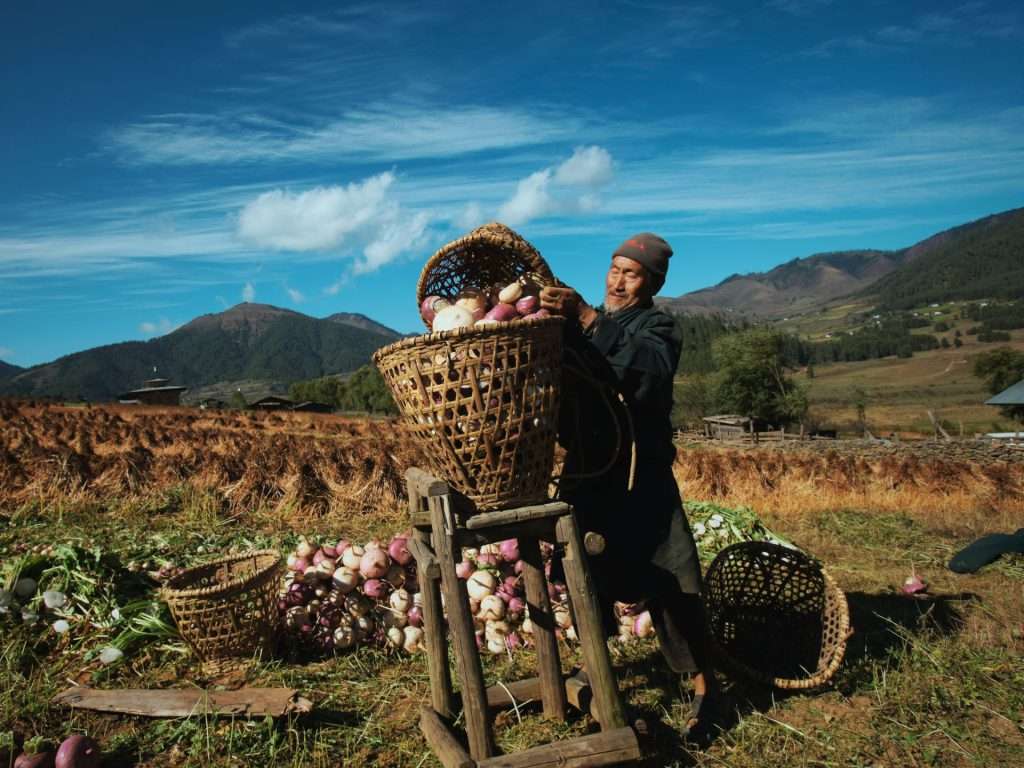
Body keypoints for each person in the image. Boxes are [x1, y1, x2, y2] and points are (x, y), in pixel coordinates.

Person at [539, 233, 721, 741]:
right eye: (614, 270)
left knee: (673, 580)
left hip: (642, 475)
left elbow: (648, 368)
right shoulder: (585, 324)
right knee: (585, 575)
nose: (617, 281)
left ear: (652, 282)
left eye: (631, 273)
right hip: (589, 472)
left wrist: (587, 319)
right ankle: (599, 673)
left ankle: (707, 689)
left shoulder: (658, 327)